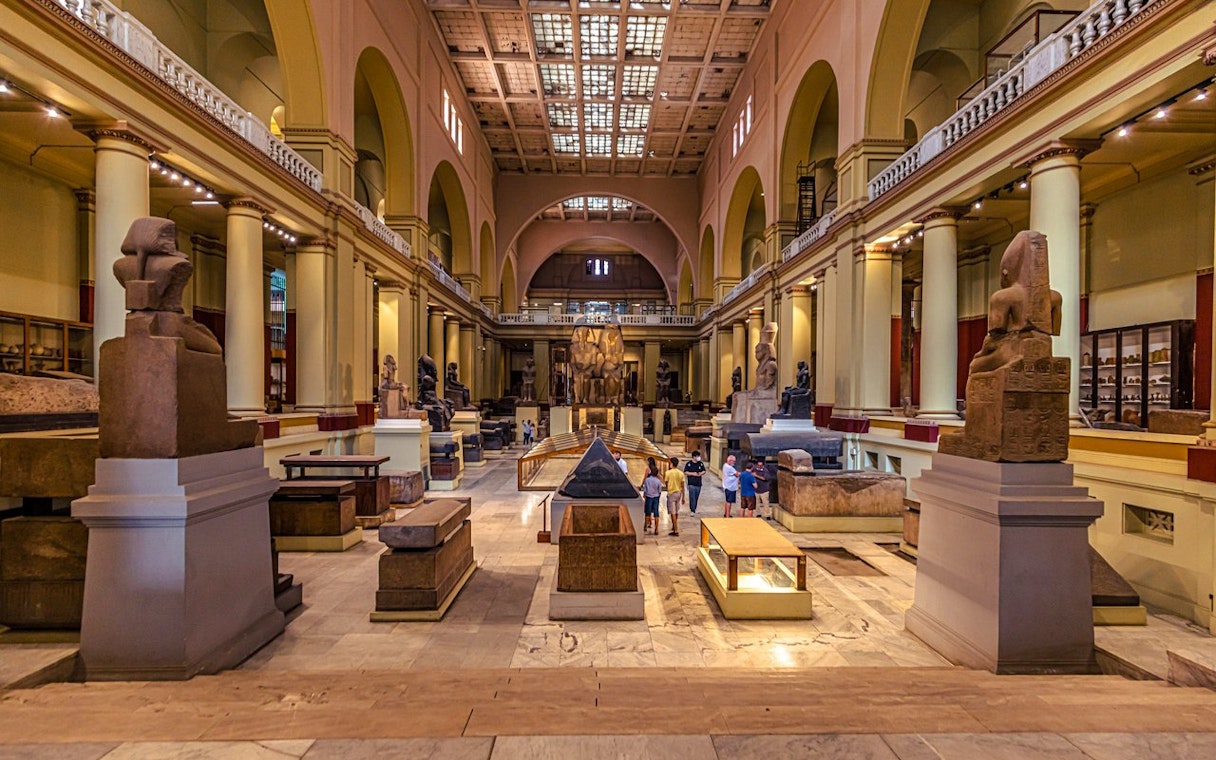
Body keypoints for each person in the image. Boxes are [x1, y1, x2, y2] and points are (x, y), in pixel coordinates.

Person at [663, 456, 685, 536]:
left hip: (671, 493)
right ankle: (674, 525)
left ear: (671, 463)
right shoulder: (680, 473)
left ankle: (675, 529)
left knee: (672, 512)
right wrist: (683, 497)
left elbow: (666, 483)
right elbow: (682, 486)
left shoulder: (668, 473)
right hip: (678, 493)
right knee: (676, 510)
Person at [642, 467, 663, 535]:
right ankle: (656, 529)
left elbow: (645, 489)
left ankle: (645, 526)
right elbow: (659, 491)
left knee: (647, 512)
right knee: (656, 513)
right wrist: (658, 496)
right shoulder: (658, 481)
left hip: (648, 497)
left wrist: (644, 495)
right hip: (656, 497)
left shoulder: (647, 480)